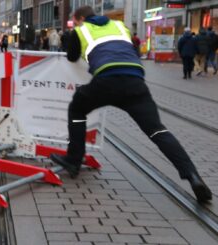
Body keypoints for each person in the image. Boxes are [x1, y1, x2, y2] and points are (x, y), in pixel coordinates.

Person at [50, 6, 212, 204]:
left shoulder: (80, 30)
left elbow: (72, 57)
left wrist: (73, 41)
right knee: (157, 131)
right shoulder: (120, 26)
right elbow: (130, 50)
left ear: (81, 18)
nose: (76, 25)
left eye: (76, 22)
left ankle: (74, 160)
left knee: (77, 109)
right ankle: (193, 175)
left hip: (106, 81)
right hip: (135, 81)